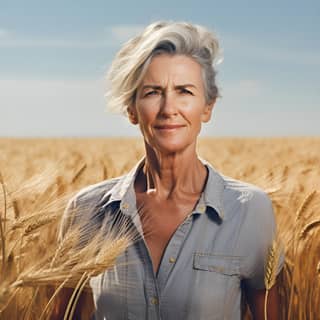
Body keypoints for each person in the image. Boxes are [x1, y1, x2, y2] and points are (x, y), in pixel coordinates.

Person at [55, 21, 284, 319]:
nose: (168, 108)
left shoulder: (250, 211)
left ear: (207, 107)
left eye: (184, 91)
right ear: (132, 109)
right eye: (152, 92)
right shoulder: (86, 212)